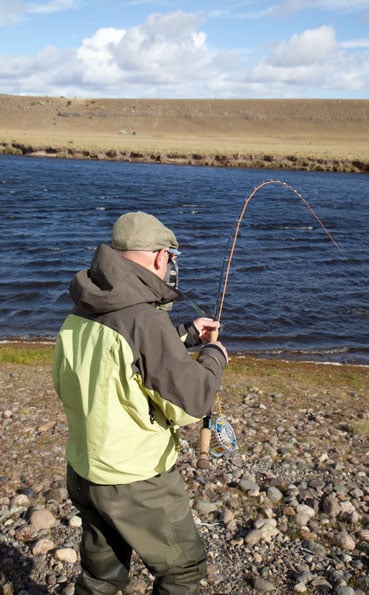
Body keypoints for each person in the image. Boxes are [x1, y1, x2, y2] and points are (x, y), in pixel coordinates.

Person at [52, 211, 228, 595]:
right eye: (172, 261)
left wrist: (182, 335)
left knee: (100, 578)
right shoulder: (143, 320)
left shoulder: (84, 306)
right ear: (162, 257)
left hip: (85, 471)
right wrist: (214, 355)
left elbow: (113, 362)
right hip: (136, 481)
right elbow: (193, 403)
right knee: (183, 572)